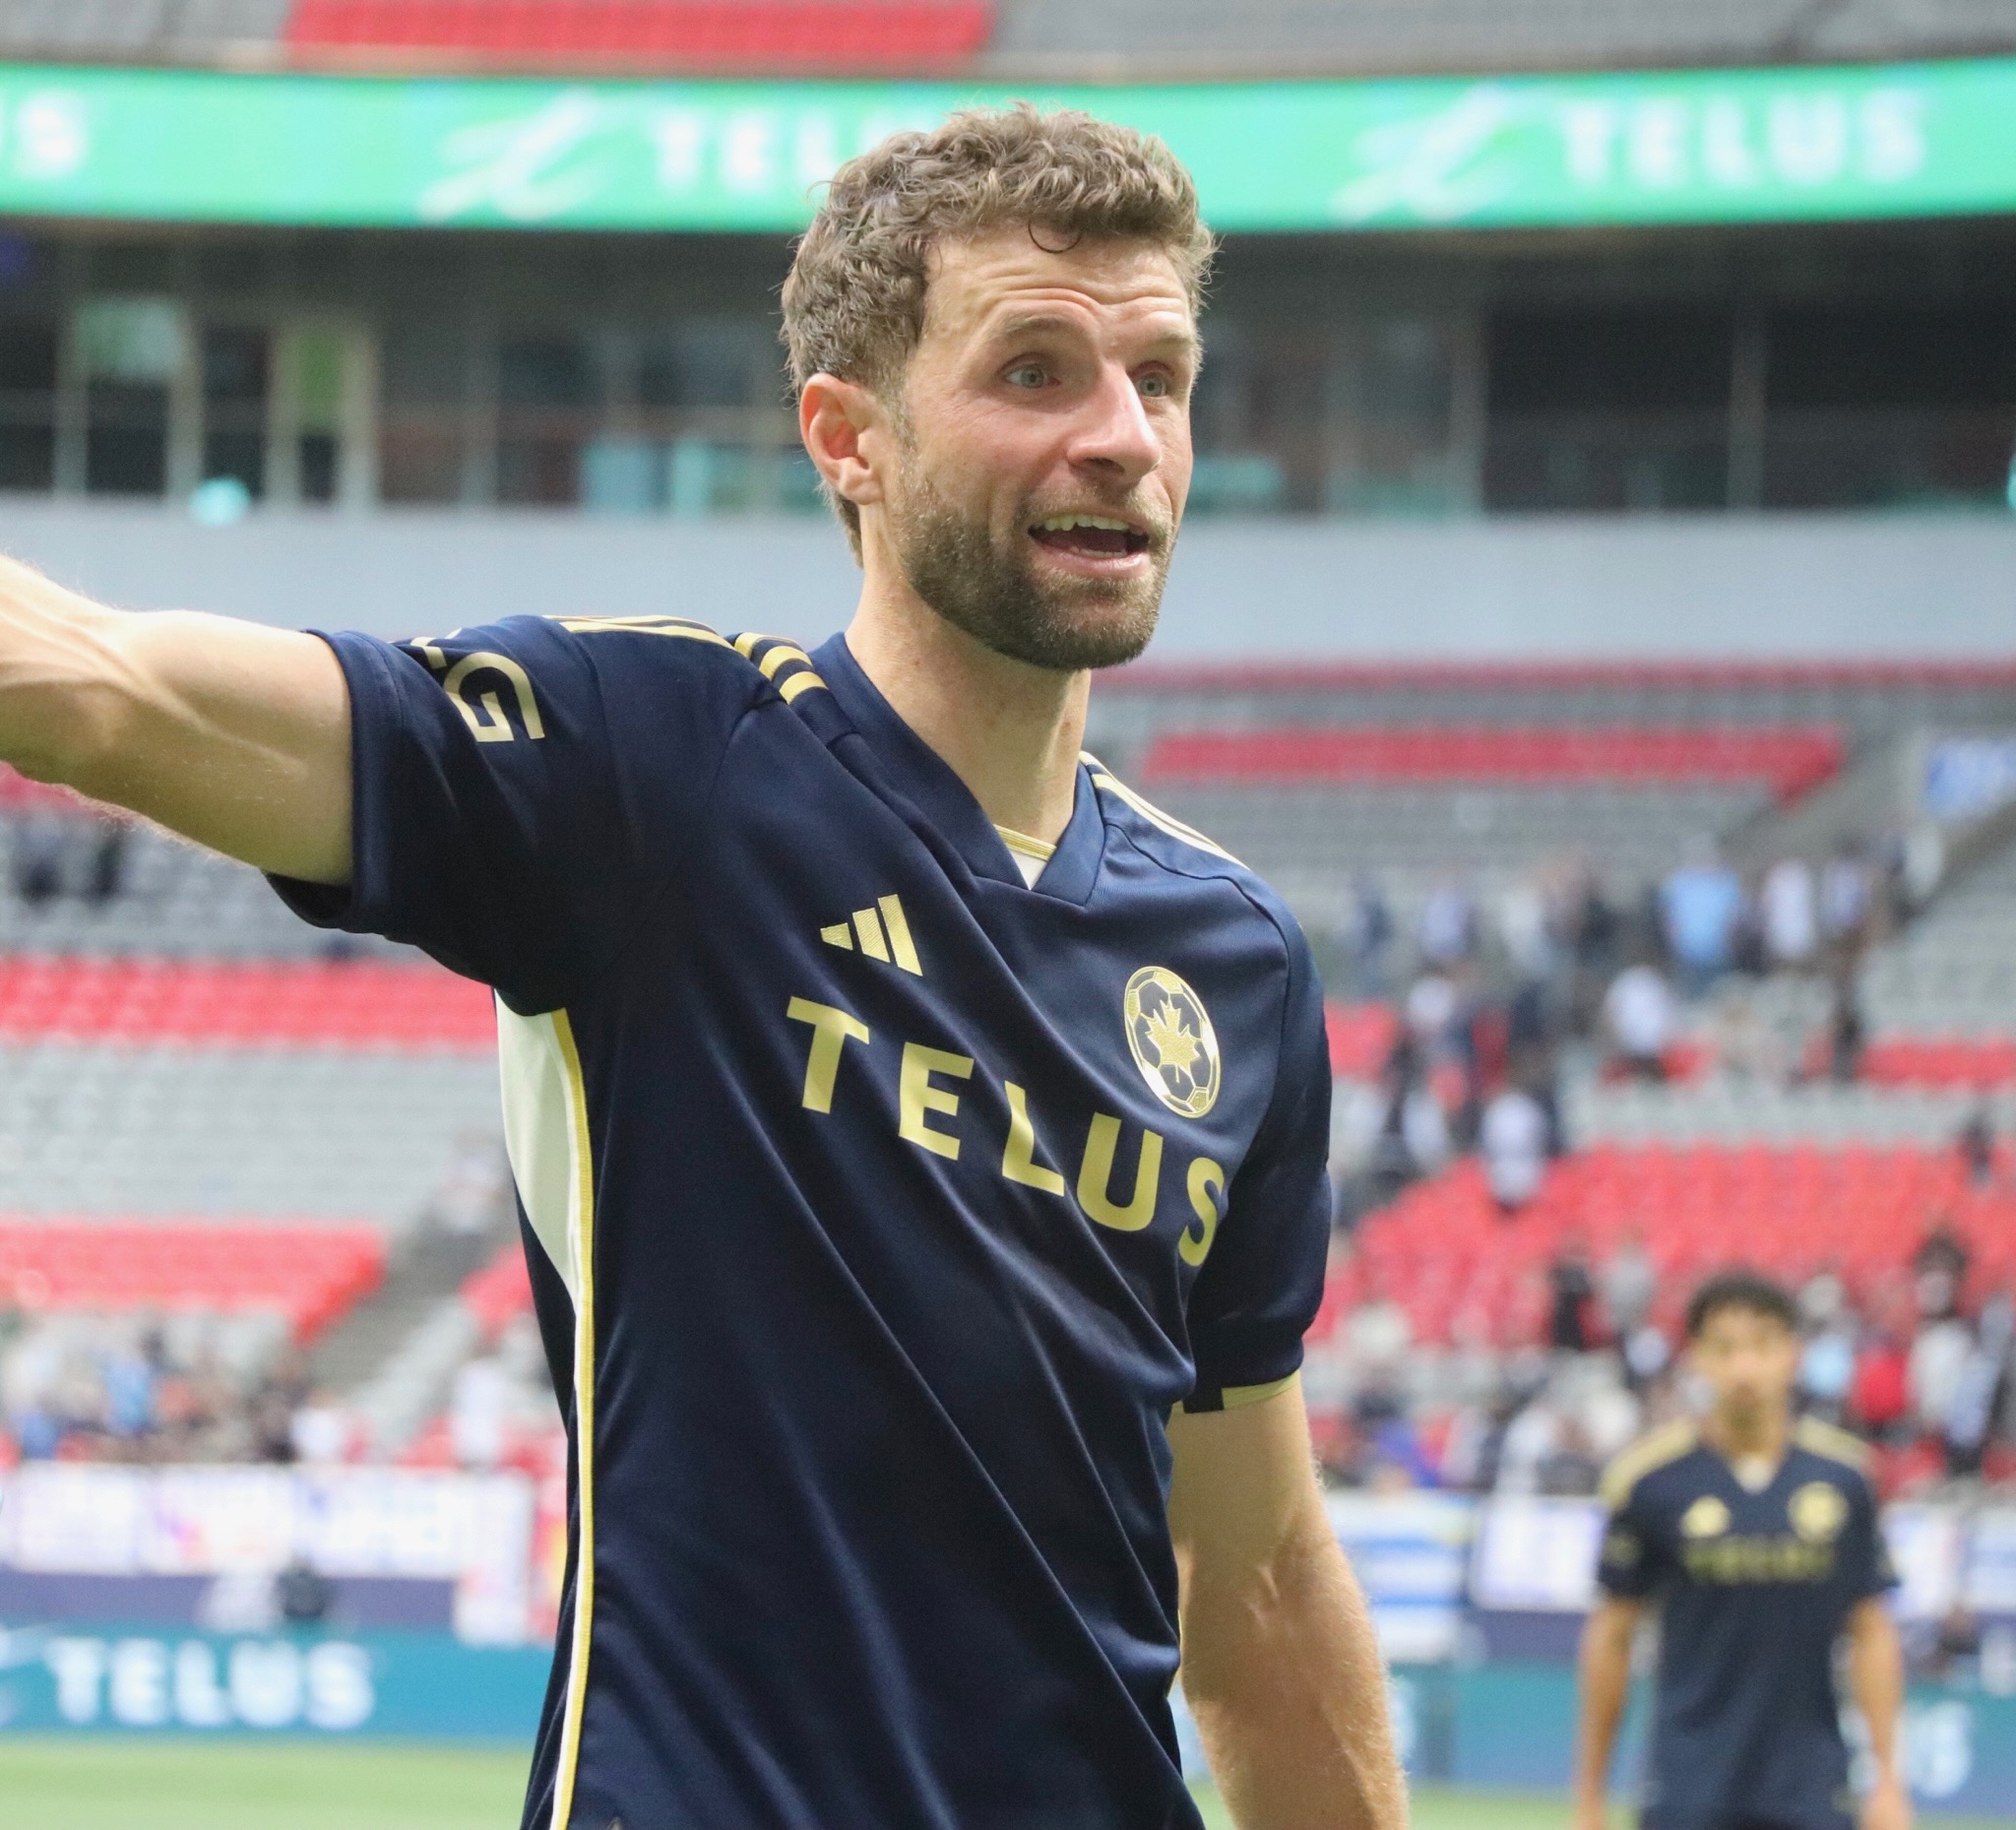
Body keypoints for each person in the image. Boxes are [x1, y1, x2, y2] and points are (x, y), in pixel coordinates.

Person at [0, 108, 1402, 1830]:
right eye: (1035, 371)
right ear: (848, 438)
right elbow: (102, 686)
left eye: (1159, 377)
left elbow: (1252, 1576)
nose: (1123, 436)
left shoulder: (1232, 957)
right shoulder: (652, 766)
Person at [1571, 1271, 1909, 1830]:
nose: (1744, 1368)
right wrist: (1589, 1796)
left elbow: (1870, 1629)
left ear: (1793, 1354)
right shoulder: (1648, 1482)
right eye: (1724, 1348)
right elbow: (1612, 1636)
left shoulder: (1846, 1480)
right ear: (1696, 1357)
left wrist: (1889, 1782)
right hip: (1686, 1790)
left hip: (1814, 1790)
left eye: (1762, 1345)